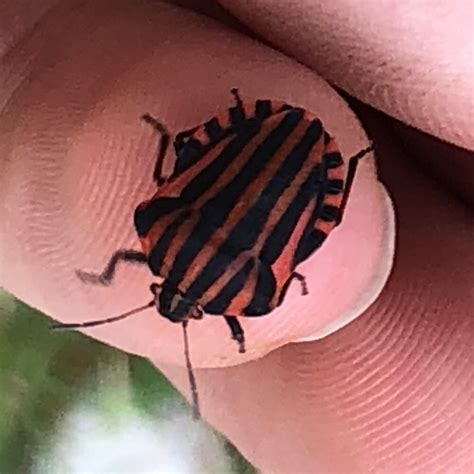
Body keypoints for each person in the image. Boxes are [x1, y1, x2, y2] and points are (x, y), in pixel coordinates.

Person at [1, 1, 472, 471]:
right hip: (257, 135)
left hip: (304, 174)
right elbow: (166, 183)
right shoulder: (161, 238)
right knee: (180, 155)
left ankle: (348, 166)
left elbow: (294, 260)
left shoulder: (250, 294)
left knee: (315, 236)